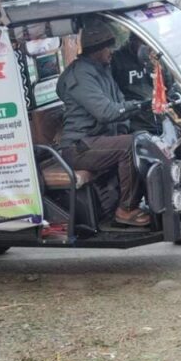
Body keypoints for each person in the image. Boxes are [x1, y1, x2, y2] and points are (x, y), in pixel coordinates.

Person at [56, 20, 151, 227]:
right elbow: (106, 112)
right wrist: (140, 105)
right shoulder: (81, 75)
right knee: (130, 146)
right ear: (97, 49)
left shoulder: (103, 70)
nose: (112, 52)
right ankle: (126, 209)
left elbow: (120, 105)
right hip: (78, 147)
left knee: (145, 139)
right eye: (109, 47)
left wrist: (141, 113)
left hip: (97, 141)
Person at [111, 34, 161, 135]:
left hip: (159, 119)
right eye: (143, 43)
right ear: (132, 40)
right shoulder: (116, 60)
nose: (147, 47)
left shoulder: (155, 58)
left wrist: (157, 64)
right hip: (136, 124)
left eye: (150, 43)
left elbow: (168, 85)